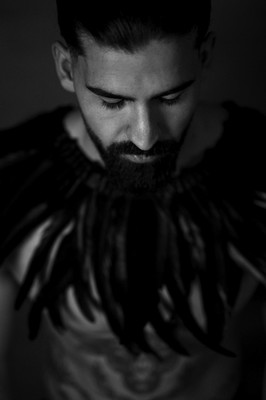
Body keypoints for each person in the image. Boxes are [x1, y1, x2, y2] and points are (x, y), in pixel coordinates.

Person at [1, 1, 266, 399]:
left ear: (204, 56)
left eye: (171, 97)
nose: (145, 137)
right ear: (65, 69)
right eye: (112, 101)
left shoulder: (258, 168)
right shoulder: (13, 184)